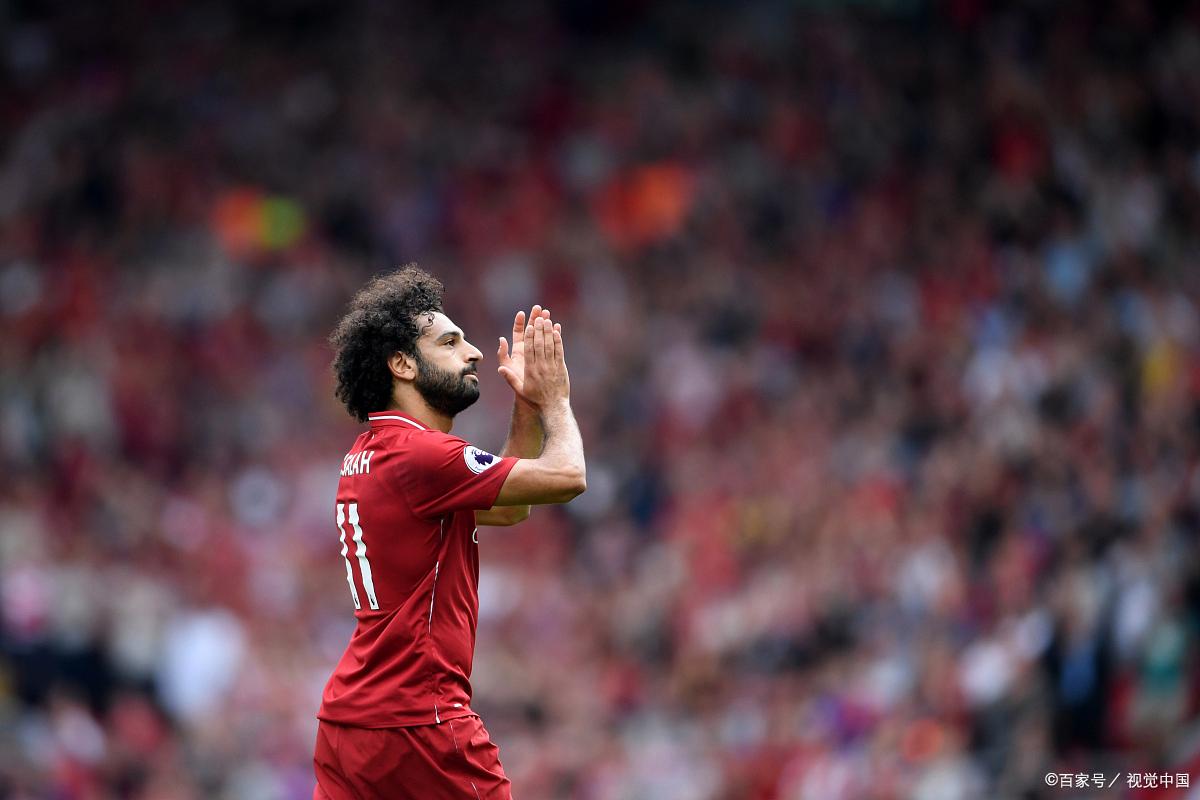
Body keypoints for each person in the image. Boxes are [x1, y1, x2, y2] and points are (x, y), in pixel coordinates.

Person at [313, 265, 586, 799]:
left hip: (348, 724)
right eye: (449, 342)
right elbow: (568, 476)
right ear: (402, 364)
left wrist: (526, 405)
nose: (474, 352)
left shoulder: (370, 453)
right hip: (419, 721)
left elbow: (509, 511)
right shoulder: (421, 455)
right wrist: (555, 399)